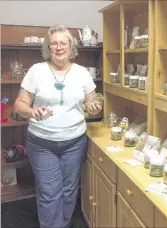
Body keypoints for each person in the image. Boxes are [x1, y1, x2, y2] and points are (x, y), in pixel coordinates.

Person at [14, 24, 102, 228]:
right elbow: (19, 105)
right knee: (49, 193)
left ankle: (62, 224)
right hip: (42, 143)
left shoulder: (82, 73)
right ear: (48, 48)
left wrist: (94, 106)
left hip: (74, 142)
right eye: (54, 43)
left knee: (70, 190)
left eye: (63, 43)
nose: (59, 47)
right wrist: (31, 112)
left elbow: (92, 102)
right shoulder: (37, 71)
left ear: (71, 47)